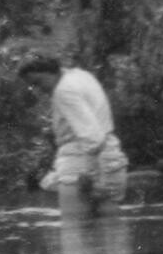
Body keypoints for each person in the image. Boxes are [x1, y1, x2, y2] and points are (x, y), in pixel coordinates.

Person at [20, 55, 129, 210]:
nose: (37, 90)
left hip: (80, 162)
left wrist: (90, 176)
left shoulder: (63, 91)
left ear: (51, 72)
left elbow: (93, 138)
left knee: (74, 230)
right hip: (112, 156)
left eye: (38, 82)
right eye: (32, 85)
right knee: (111, 228)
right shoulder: (82, 76)